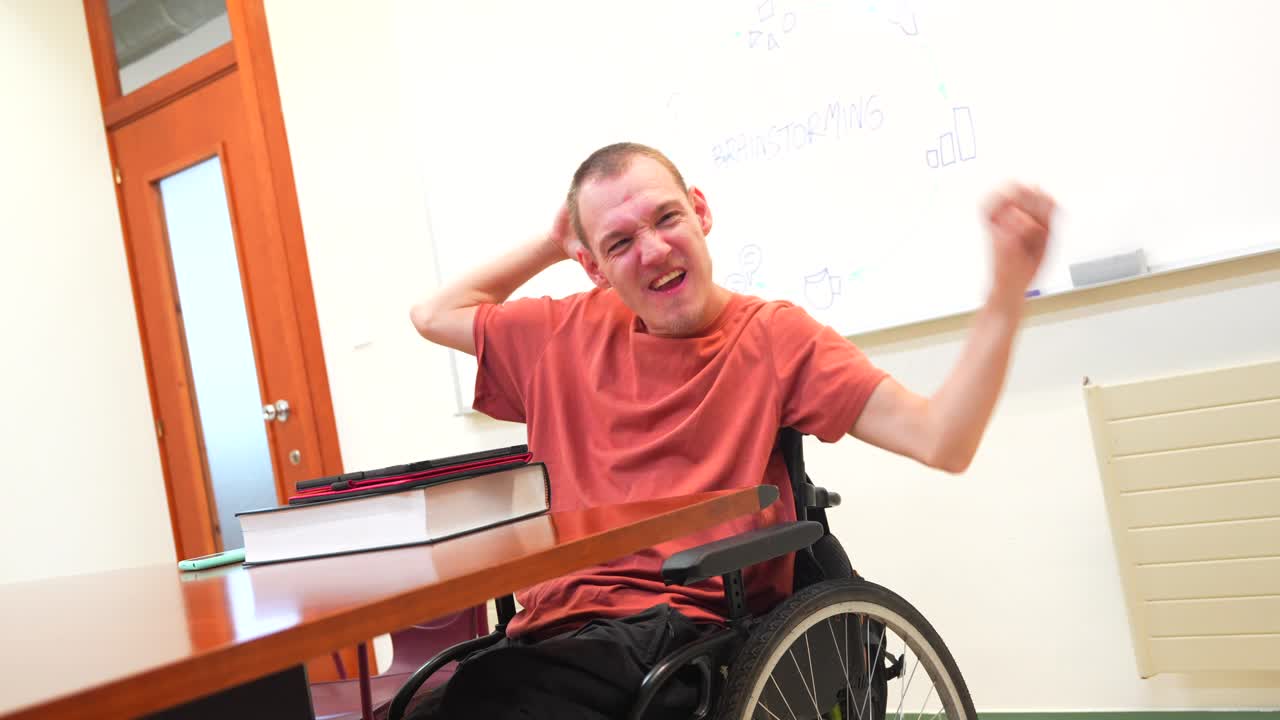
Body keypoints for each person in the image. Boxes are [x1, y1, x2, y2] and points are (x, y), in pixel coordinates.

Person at [404, 142, 1054, 719]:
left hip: (679, 629)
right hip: (549, 631)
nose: (654, 250)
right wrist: (555, 240)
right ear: (593, 266)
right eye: (619, 242)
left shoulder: (774, 338)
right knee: (431, 703)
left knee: (488, 700)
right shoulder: (559, 333)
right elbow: (434, 314)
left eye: (666, 218)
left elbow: (941, 437)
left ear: (700, 211)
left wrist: (1005, 292)